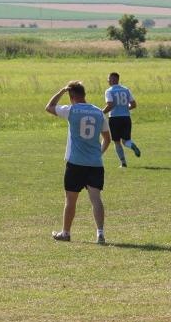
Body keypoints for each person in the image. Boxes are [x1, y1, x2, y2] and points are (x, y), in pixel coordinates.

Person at [46, 81, 112, 243]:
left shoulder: (71, 110)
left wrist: (61, 90)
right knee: (96, 198)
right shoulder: (98, 112)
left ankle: (66, 233)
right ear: (84, 94)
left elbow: (49, 106)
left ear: (71, 96)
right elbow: (107, 139)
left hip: (75, 163)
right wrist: (99, 153)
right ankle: (100, 233)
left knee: (70, 199)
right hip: (95, 163)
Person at [102, 71, 142, 167]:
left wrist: (101, 112)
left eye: (109, 79)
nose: (108, 81)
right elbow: (133, 104)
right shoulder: (126, 90)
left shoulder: (109, 91)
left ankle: (123, 163)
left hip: (114, 118)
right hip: (126, 118)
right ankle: (131, 145)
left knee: (117, 141)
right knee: (126, 140)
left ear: (112, 80)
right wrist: (124, 108)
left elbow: (110, 105)